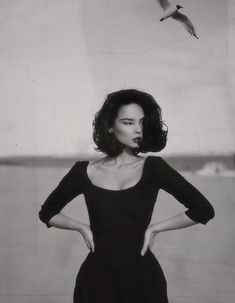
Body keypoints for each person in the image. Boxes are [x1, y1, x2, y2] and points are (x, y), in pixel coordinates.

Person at [39, 89, 215, 303]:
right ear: (110, 126)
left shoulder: (154, 168)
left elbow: (203, 210)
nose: (138, 130)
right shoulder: (84, 171)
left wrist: (155, 229)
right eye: (129, 122)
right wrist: (81, 227)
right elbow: (47, 212)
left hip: (144, 283)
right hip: (95, 283)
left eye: (141, 122)